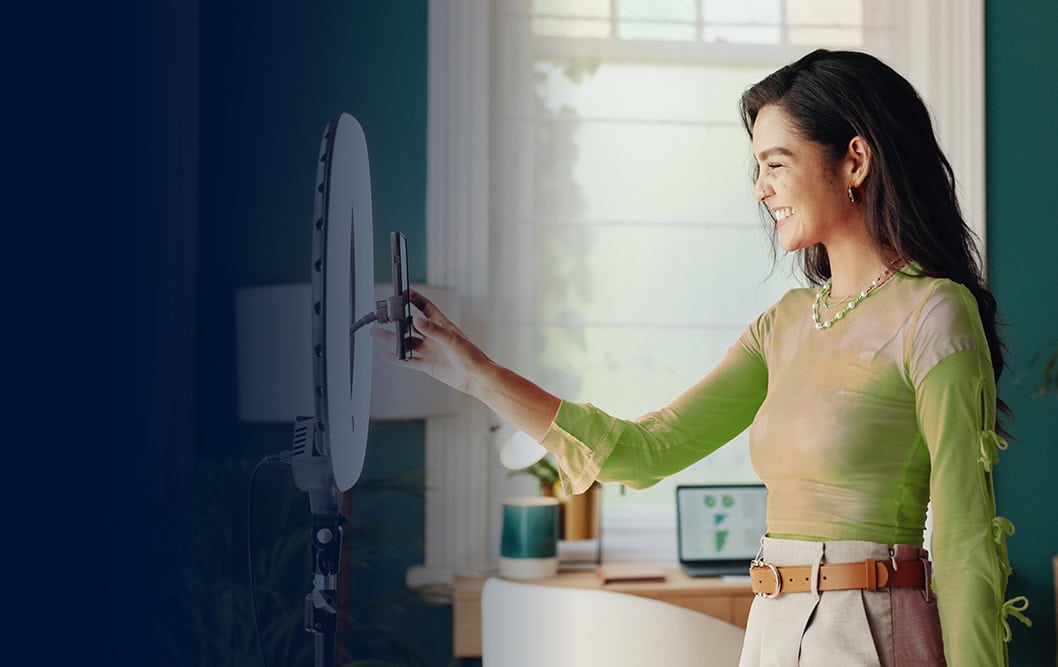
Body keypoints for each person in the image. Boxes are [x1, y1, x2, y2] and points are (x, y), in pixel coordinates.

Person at [376, 49, 1029, 666]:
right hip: (772, 631)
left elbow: (966, 541)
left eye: (776, 163)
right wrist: (470, 370)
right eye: (758, 168)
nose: (760, 189)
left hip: (873, 634)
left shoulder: (934, 312)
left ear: (854, 160)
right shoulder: (783, 326)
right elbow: (643, 449)